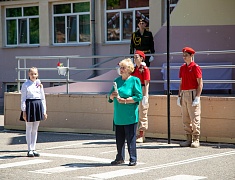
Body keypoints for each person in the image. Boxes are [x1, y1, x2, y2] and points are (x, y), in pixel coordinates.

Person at [108, 58, 143, 166]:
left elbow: (139, 96)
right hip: (119, 116)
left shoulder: (134, 80)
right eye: (120, 67)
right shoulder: (117, 81)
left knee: (131, 139)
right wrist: (112, 95)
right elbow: (109, 97)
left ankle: (133, 158)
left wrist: (126, 100)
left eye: (123, 68)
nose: (121, 69)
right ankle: (120, 158)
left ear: (129, 69)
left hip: (130, 115)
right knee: (119, 140)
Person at [177, 47, 203, 148]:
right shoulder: (182, 67)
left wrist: (197, 97)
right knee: (185, 118)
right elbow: (181, 82)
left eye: (186, 55)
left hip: (192, 93)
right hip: (184, 93)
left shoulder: (196, 67)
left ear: (192, 56)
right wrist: (179, 95)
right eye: (183, 55)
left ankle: (196, 139)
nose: (184, 57)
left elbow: (200, 83)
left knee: (194, 117)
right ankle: (188, 138)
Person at [20, 67, 47, 157]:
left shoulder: (39, 83)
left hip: (38, 105)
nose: (33, 75)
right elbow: (23, 99)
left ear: (37, 74)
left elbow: (43, 98)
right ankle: (29, 149)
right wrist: (24, 110)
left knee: (35, 128)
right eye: (31, 74)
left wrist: (44, 111)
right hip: (29, 106)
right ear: (29, 74)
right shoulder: (25, 85)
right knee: (29, 128)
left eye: (35, 74)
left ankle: (34, 148)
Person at [131, 50, 150, 143]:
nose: (134, 59)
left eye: (136, 57)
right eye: (134, 57)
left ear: (142, 58)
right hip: (135, 90)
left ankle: (142, 134)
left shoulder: (144, 69)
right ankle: (134, 133)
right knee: (134, 112)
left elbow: (146, 83)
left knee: (143, 113)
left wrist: (145, 96)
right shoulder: (134, 69)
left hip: (142, 89)